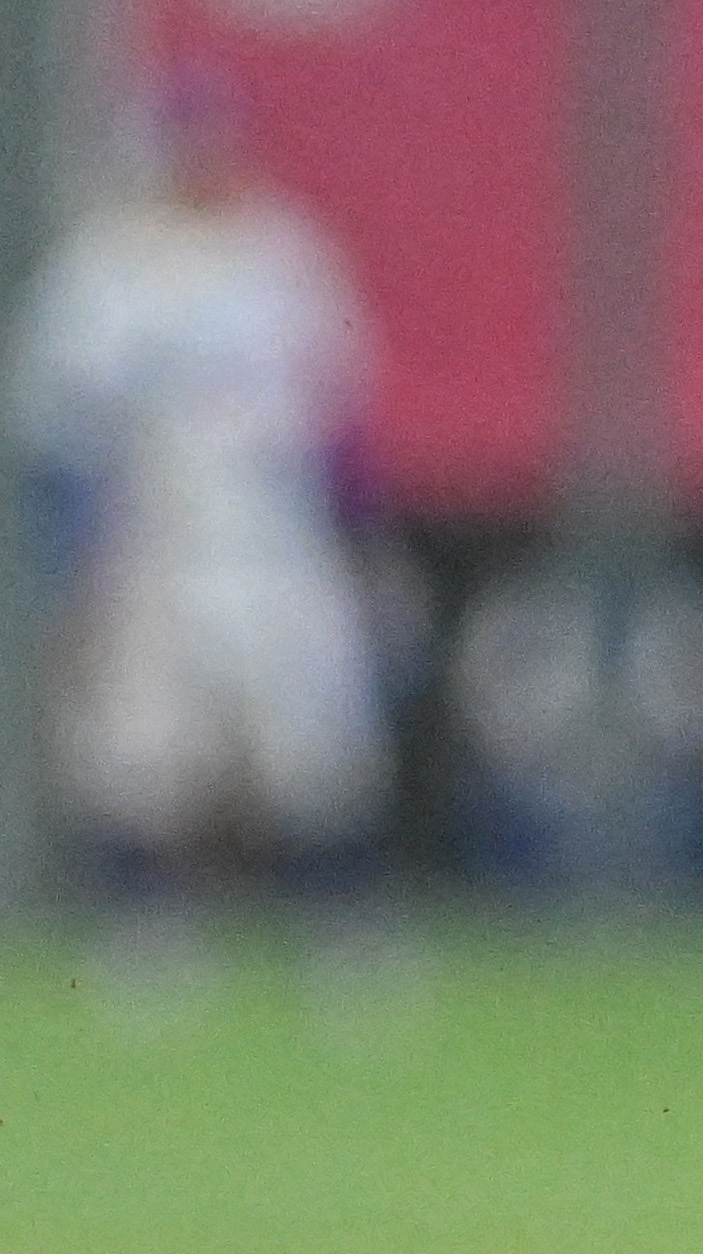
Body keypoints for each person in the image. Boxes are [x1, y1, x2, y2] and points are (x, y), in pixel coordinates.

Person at [8, 71, 391, 979]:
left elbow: (340, 415)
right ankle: (150, 936)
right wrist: (73, 555)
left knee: (314, 741)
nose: (199, 166)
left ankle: (344, 934)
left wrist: (364, 540)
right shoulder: (103, 268)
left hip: (273, 538)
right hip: (154, 544)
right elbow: (55, 426)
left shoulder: (279, 253)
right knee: (142, 748)